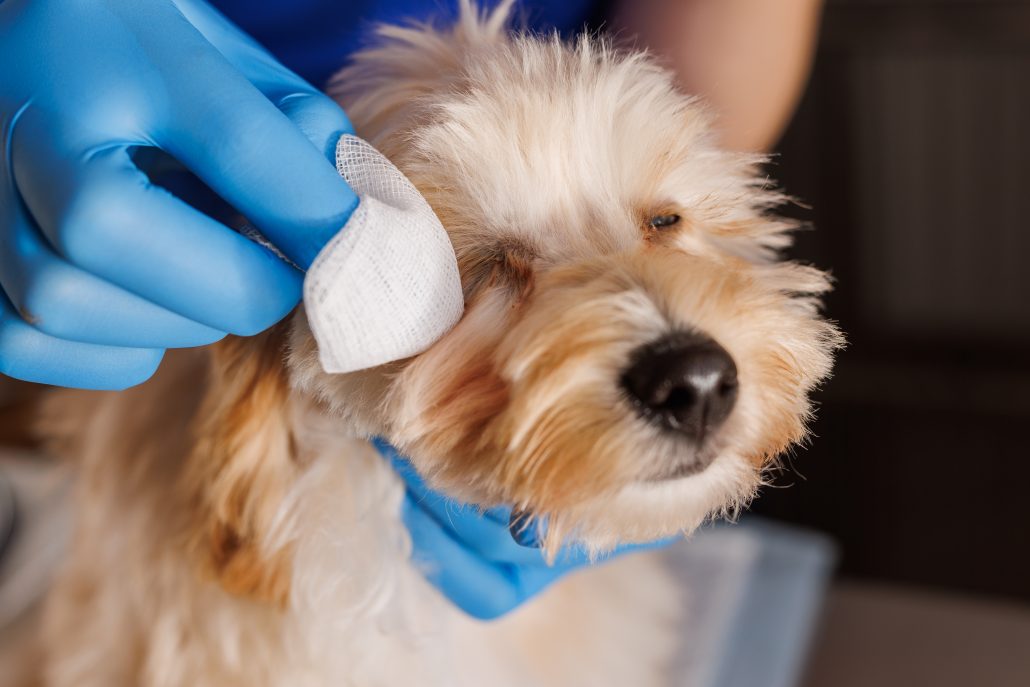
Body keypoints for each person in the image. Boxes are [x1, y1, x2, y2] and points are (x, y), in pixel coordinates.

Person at [0, 0, 822, 620]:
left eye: (662, 225)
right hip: (131, 186)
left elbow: (708, 90)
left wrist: (671, 140)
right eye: (492, 271)